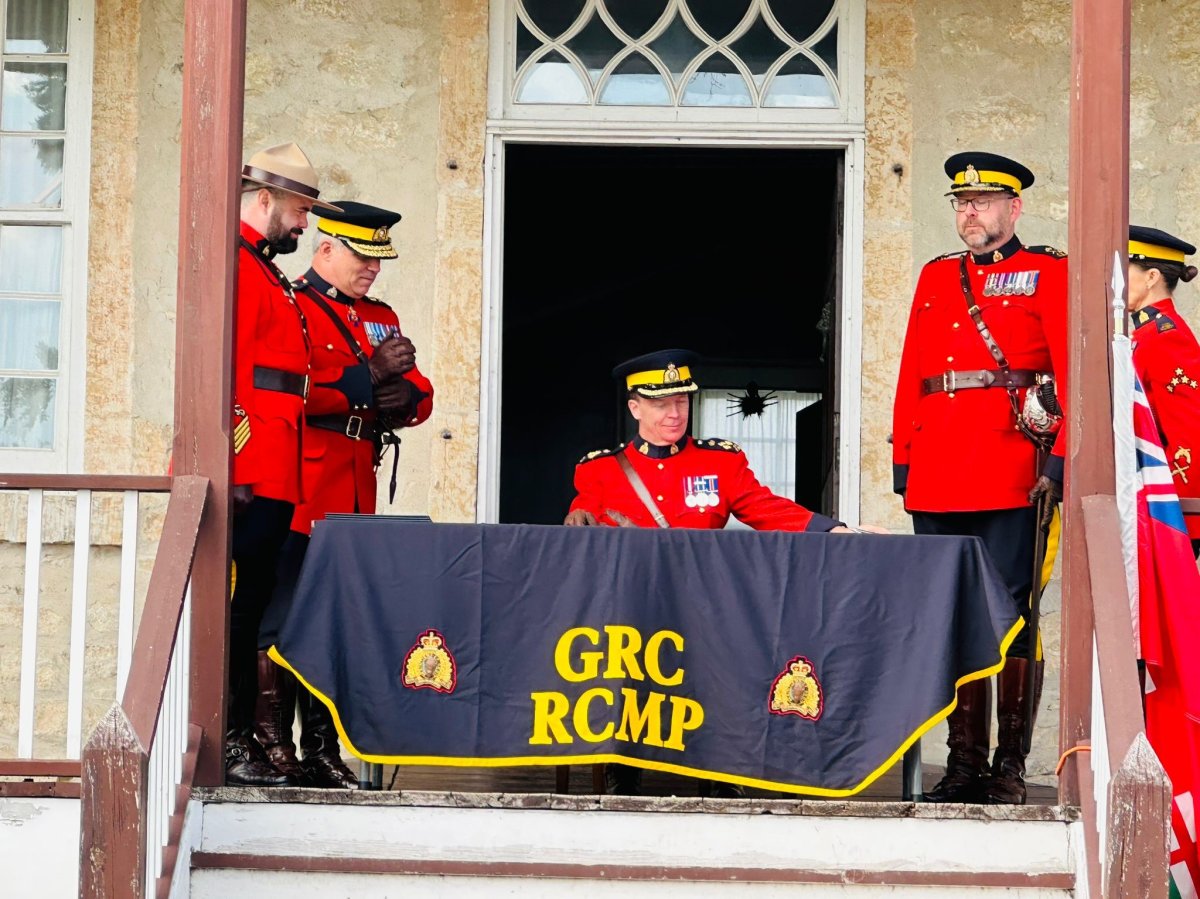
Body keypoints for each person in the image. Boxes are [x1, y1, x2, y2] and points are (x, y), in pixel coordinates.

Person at [565, 349, 871, 794]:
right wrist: (576, 517)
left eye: (682, 402)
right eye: (660, 404)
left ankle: (724, 765)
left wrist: (834, 529)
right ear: (635, 408)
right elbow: (583, 513)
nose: (674, 413)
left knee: (738, 657)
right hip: (634, 606)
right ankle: (622, 764)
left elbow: (765, 509)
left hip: (704, 605)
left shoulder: (720, 462)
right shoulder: (600, 469)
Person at [891, 152, 1068, 804]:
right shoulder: (938, 276)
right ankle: (962, 765)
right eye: (961, 202)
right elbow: (914, 367)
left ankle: (1008, 767)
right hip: (939, 471)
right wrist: (904, 459)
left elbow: (1072, 370)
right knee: (953, 616)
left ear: (1013, 208)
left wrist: (1059, 459)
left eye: (984, 201)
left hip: (1012, 474)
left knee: (1014, 617)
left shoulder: (1047, 270)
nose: (970, 211)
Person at [253, 201, 434, 788]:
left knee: (339, 623)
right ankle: (271, 741)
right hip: (304, 484)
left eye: (378, 260)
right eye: (362, 257)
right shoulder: (294, 305)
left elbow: (419, 389)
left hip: (357, 486)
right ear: (324, 249)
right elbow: (291, 391)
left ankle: (325, 749)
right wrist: (367, 382)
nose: (373, 270)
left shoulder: (379, 316)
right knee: (282, 620)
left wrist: (404, 401)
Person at [226, 143, 338, 787]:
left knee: (256, 607)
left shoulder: (263, 271)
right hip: (252, 467)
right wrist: (231, 462)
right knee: (240, 612)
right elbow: (230, 372)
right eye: (298, 211)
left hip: (276, 467)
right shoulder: (241, 267)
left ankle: (249, 741)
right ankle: (237, 741)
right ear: (264, 200)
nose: (303, 225)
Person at [1127, 225, 1200, 553]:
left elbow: (1187, 432)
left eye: (1126, 271)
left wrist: (1178, 512)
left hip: (1167, 513)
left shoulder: (1166, 339)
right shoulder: (1144, 336)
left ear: (1152, 276)